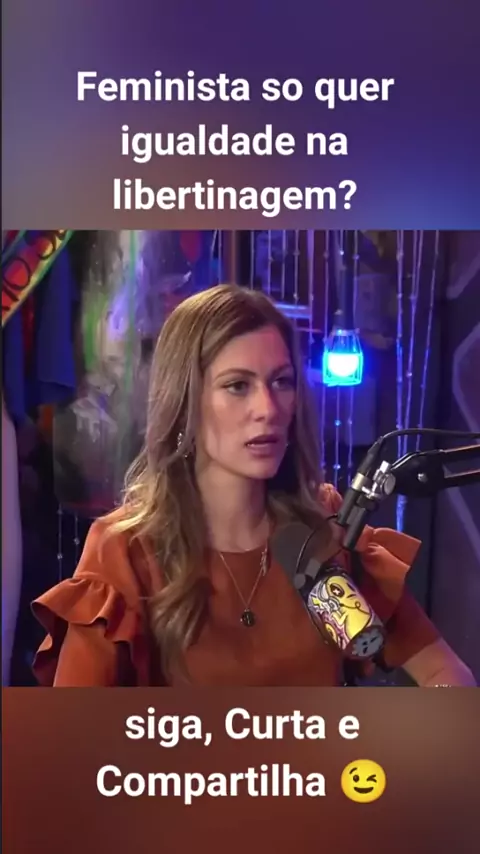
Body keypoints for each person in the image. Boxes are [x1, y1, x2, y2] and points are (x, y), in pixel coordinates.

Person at [31, 285, 476, 687]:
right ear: (186, 401)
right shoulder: (124, 551)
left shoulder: (326, 527)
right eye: (238, 386)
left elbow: (443, 670)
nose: (268, 408)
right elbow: (75, 739)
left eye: (281, 382)